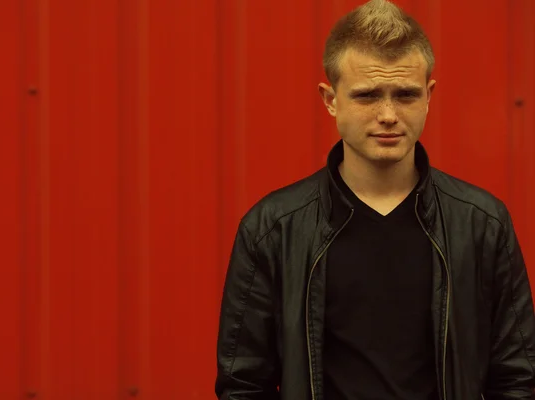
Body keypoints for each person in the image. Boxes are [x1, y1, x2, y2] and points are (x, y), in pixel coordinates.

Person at [214, 0, 535, 399]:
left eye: (405, 95)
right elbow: (243, 385)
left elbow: (518, 380)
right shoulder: (273, 228)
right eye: (367, 96)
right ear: (331, 100)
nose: (388, 114)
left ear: (429, 96)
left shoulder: (483, 224)